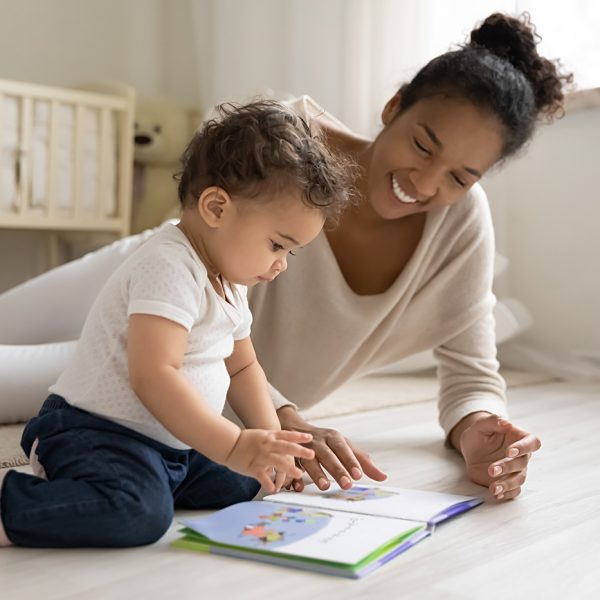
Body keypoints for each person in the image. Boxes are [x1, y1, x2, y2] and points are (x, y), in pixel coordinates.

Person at [0, 13, 571, 506]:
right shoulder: (285, 147)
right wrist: (282, 421)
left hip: (190, 375)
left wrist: (479, 431)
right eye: (423, 144)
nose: (425, 181)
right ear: (392, 107)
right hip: (155, 294)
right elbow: (206, 258)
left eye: (461, 176)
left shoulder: (461, 226)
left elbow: (471, 370)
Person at [0, 99, 354, 548]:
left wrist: (270, 446)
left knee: (244, 482)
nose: (281, 264)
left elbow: (244, 369)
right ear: (216, 208)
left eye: (290, 252)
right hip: (94, 432)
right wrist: (233, 447)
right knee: (138, 512)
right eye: (277, 245)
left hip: (169, 446)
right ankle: (15, 504)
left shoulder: (230, 280)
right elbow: (153, 375)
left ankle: (165, 478)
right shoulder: (168, 264)